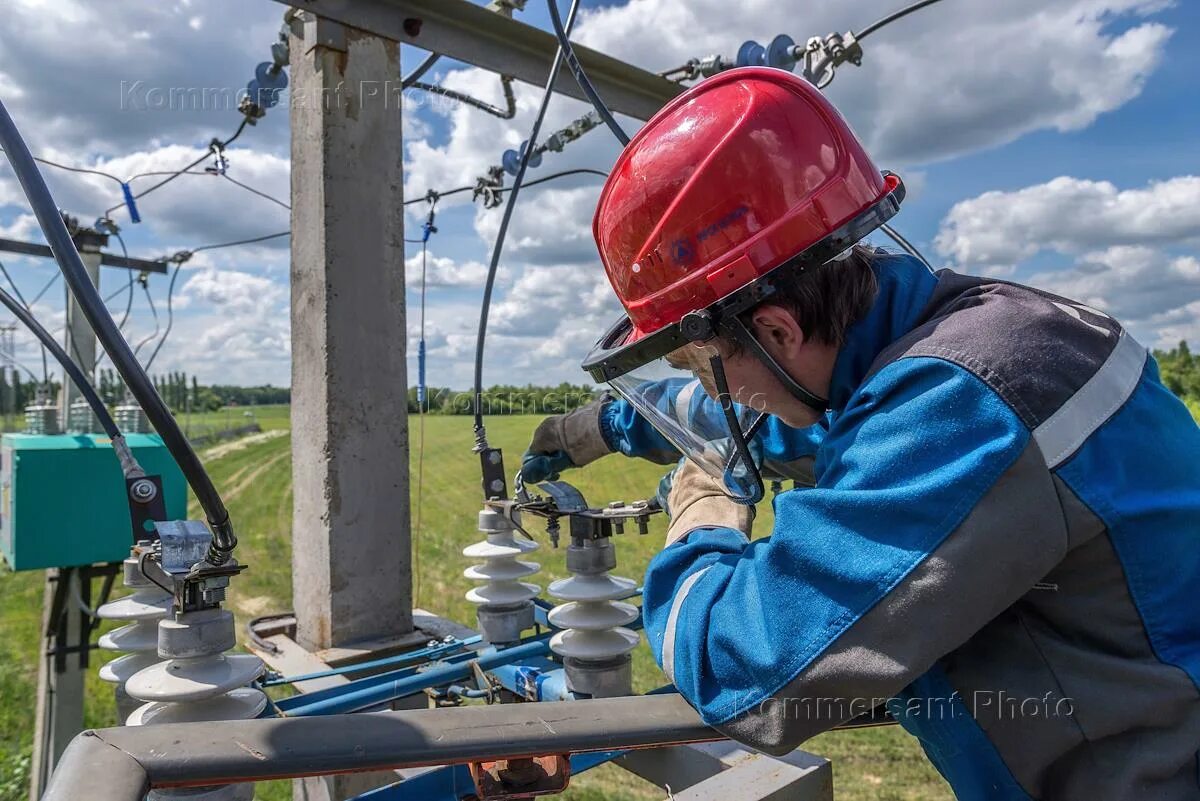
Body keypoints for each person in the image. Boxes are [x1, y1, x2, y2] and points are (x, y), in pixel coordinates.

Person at [522, 67, 1200, 800]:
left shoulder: (964, 408)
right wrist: (601, 425)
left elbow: (746, 668)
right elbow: (764, 422)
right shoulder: (961, 345)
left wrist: (698, 530)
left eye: (708, 368)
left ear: (777, 329)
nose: (718, 393)